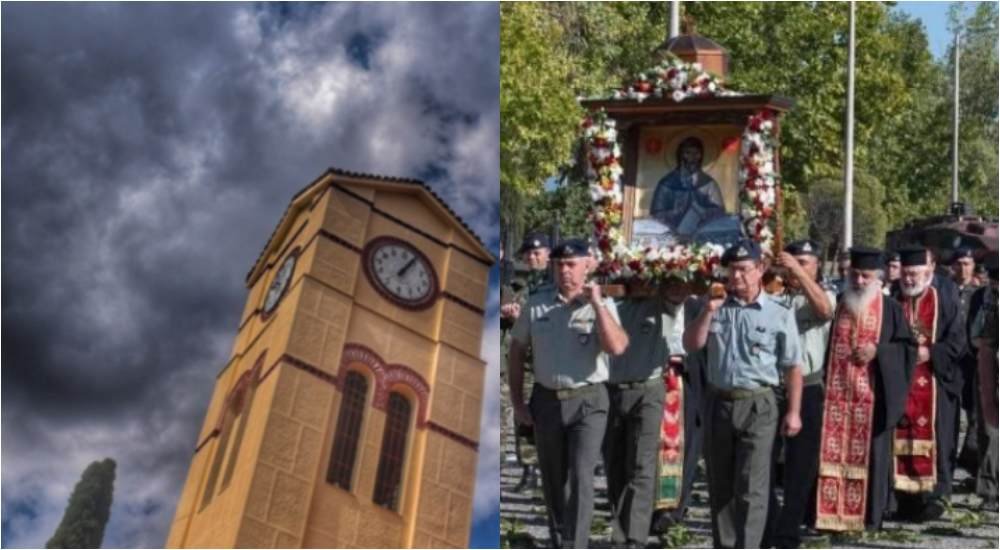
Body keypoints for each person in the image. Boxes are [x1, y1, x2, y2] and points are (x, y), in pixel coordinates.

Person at [508, 238, 629, 548]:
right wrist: (518, 401)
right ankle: (561, 539)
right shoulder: (537, 302)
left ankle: (576, 544)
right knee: (553, 479)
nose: (565, 271)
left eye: (572, 264)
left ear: (587, 264)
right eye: (559, 264)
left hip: (589, 401)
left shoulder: (602, 302)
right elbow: (517, 350)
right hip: (546, 400)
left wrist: (598, 305)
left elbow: (616, 347)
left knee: (580, 476)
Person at [683, 239, 803, 549]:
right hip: (719, 402)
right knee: (720, 484)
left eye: (743, 270)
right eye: (731, 270)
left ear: (760, 269)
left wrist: (793, 411)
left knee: (752, 485)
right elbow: (692, 344)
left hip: (759, 404)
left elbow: (792, 366)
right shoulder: (714, 305)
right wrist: (708, 311)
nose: (736, 277)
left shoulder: (778, 311)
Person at [814, 247, 916, 531]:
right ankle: (829, 517)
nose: (859, 281)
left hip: (875, 398)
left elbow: (907, 349)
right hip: (835, 400)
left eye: (865, 276)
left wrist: (878, 351)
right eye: (855, 275)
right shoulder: (836, 304)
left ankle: (868, 518)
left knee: (872, 455)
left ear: (877, 278)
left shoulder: (890, 309)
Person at [765, 240, 836, 548]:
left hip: (807, 386)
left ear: (816, 266)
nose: (797, 267)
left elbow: (824, 310)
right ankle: (767, 521)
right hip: (770, 385)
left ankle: (789, 528)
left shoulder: (822, 293)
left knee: (801, 463)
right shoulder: (773, 294)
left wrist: (798, 271)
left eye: (805, 262)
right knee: (763, 461)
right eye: (794, 262)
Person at [603, 282, 686, 548]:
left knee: (641, 465)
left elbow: (678, 290)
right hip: (611, 388)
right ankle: (619, 530)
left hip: (648, 389)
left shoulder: (662, 301)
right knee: (615, 465)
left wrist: (657, 281)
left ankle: (635, 537)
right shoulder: (610, 300)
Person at [892, 245, 966, 522]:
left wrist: (930, 352)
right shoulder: (893, 301)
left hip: (936, 383)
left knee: (940, 439)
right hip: (902, 384)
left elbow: (958, 342)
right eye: (906, 274)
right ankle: (906, 499)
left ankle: (937, 497)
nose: (909, 279)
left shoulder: (944, 300)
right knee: (900, 438)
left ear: (928, 272)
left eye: (915, 274)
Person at [651, 291, 710, 533]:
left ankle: (674, 510)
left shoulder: (698, 307)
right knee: (652, 446)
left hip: (688, 380)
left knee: (687, 446)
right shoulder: (650, 305)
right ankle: (649, 509)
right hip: (655, 379)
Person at [500, 232, 552, 491]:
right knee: (524, 417)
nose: (533, 258)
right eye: (529, 254)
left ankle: (553, 469)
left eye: (538, 253)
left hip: (550, 360)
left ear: (548, 255)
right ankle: (529, 470)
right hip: (526, 363)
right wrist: (511, 316)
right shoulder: (517, 289)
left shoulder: (555, 286)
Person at [650, 137, 733, 242]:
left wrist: (703, 212)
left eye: (697, 153)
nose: (692, 157)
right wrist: (675, 212)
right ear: (680, 155)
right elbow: (656, 215)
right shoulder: (667, 183)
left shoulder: (708, 184)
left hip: (703, 238)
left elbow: (720, 213)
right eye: (687, 153)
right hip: (671, 238)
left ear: (701, 156)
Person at [969, 256, 998, 510]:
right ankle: (989, 489)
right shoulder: (981, 298)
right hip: (987, 367)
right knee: (987, 430)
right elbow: (974, 334)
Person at [952, 247, 983, 476]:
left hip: (971, 360)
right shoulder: (945, 289)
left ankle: (971, 459)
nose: (963, 268)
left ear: (973, 266)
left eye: (967, 263)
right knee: (950, 411)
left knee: (974, 411)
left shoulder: (978, 293)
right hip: (950, 360)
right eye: (960, 263)